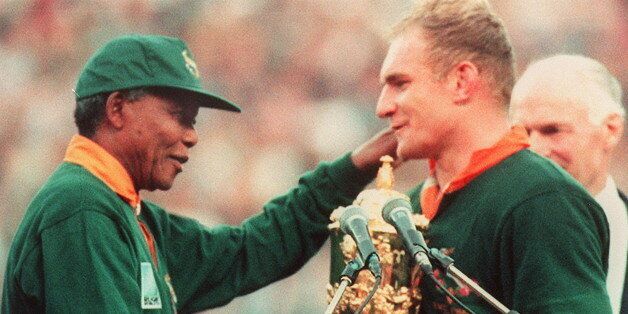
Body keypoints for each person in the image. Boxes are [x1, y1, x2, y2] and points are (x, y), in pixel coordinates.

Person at [1, 34, 398, 313]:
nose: (191, 136)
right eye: (179, 116)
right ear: (118, 108)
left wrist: (354, 168)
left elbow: (247, 252)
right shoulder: (82, 208)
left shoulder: (127, 212)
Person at [375, 0, 611, 312]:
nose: (382, 107)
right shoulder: (406, 209)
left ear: (461, 82)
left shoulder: (544, 201)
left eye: (400, 84)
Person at [509, 54, 627, 314]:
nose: (534, 149)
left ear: (610, 130)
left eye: (553, 131)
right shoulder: (498, 235)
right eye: (522, 133)